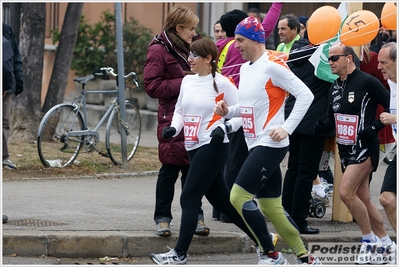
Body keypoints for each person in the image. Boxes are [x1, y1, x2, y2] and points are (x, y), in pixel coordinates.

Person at [215, 17, 320, 265]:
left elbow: (306, 95)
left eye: (239, 40)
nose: (235, 45)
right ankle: (306, 258)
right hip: (255, 143)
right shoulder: (245, 68)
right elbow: (250, 108)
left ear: (255, 39)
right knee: (272, 209)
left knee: (237, 197)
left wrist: (286, 128)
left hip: (270, 144)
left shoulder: (272, 66)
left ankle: (270, 253)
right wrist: (228, 112)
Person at [149, 37, 259, 265]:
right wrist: (173, 127)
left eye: (194, 56)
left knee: (189, 197)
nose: (189, 59)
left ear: (209, 58)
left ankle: (179, 254)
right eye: (189, 55)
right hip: (192, 146)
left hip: (214, 145)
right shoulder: (187, 82)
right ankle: (264, 240)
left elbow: (243, 115)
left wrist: (225, 126)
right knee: (222, 201)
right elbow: (179, 110)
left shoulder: (223, 84)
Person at [313, 44, 395, 264]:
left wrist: (375, 127)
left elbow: (392, 105)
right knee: (364, 200)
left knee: (345, 192)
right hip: (346, 149)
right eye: (328, 59)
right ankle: (387, 244)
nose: (330, 62)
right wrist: (322, 126)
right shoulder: (335, 87)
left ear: (348, 58)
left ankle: (369, 242)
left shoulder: (367, 81)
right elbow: (332, 118)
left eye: (334, 58)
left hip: (366, 146)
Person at [143, 4, 209, 237]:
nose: (194, 32)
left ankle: (197, 217)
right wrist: (186, 82)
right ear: (178, 28)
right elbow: (151, 86)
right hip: (172, 116)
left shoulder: (196, 47)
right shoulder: (158, 50)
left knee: (194, 170)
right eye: (191, 28)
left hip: (197, 116)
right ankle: (162, 219)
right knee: (169, 170)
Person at [213, 3, 283, 223]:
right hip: (246, 109)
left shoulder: (221, 47)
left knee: (230, 159)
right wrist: (277, 4)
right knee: (239, 159)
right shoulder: (239, 47)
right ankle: (231, 211)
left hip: (227, 107)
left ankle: (221, 210)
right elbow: (268, 26)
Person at [281, 17, 334, 234]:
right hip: (314, 120)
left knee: (294, 167)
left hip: (294, 115)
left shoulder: (297, 50)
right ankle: (299, 220)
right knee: (306, 171)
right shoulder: (322, 55)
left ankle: (285, 214)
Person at [377, 42, 397, 236]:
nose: (379, 66)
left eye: (383, 62)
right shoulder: (391, 83)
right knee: (386, 199)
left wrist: (395, 119)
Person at [2, 23, 24, 171]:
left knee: (4, 122)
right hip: (5, 83)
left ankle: (4, 157)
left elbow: (15, 56)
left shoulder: (6, 29)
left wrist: (19, 79)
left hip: (7, 83)